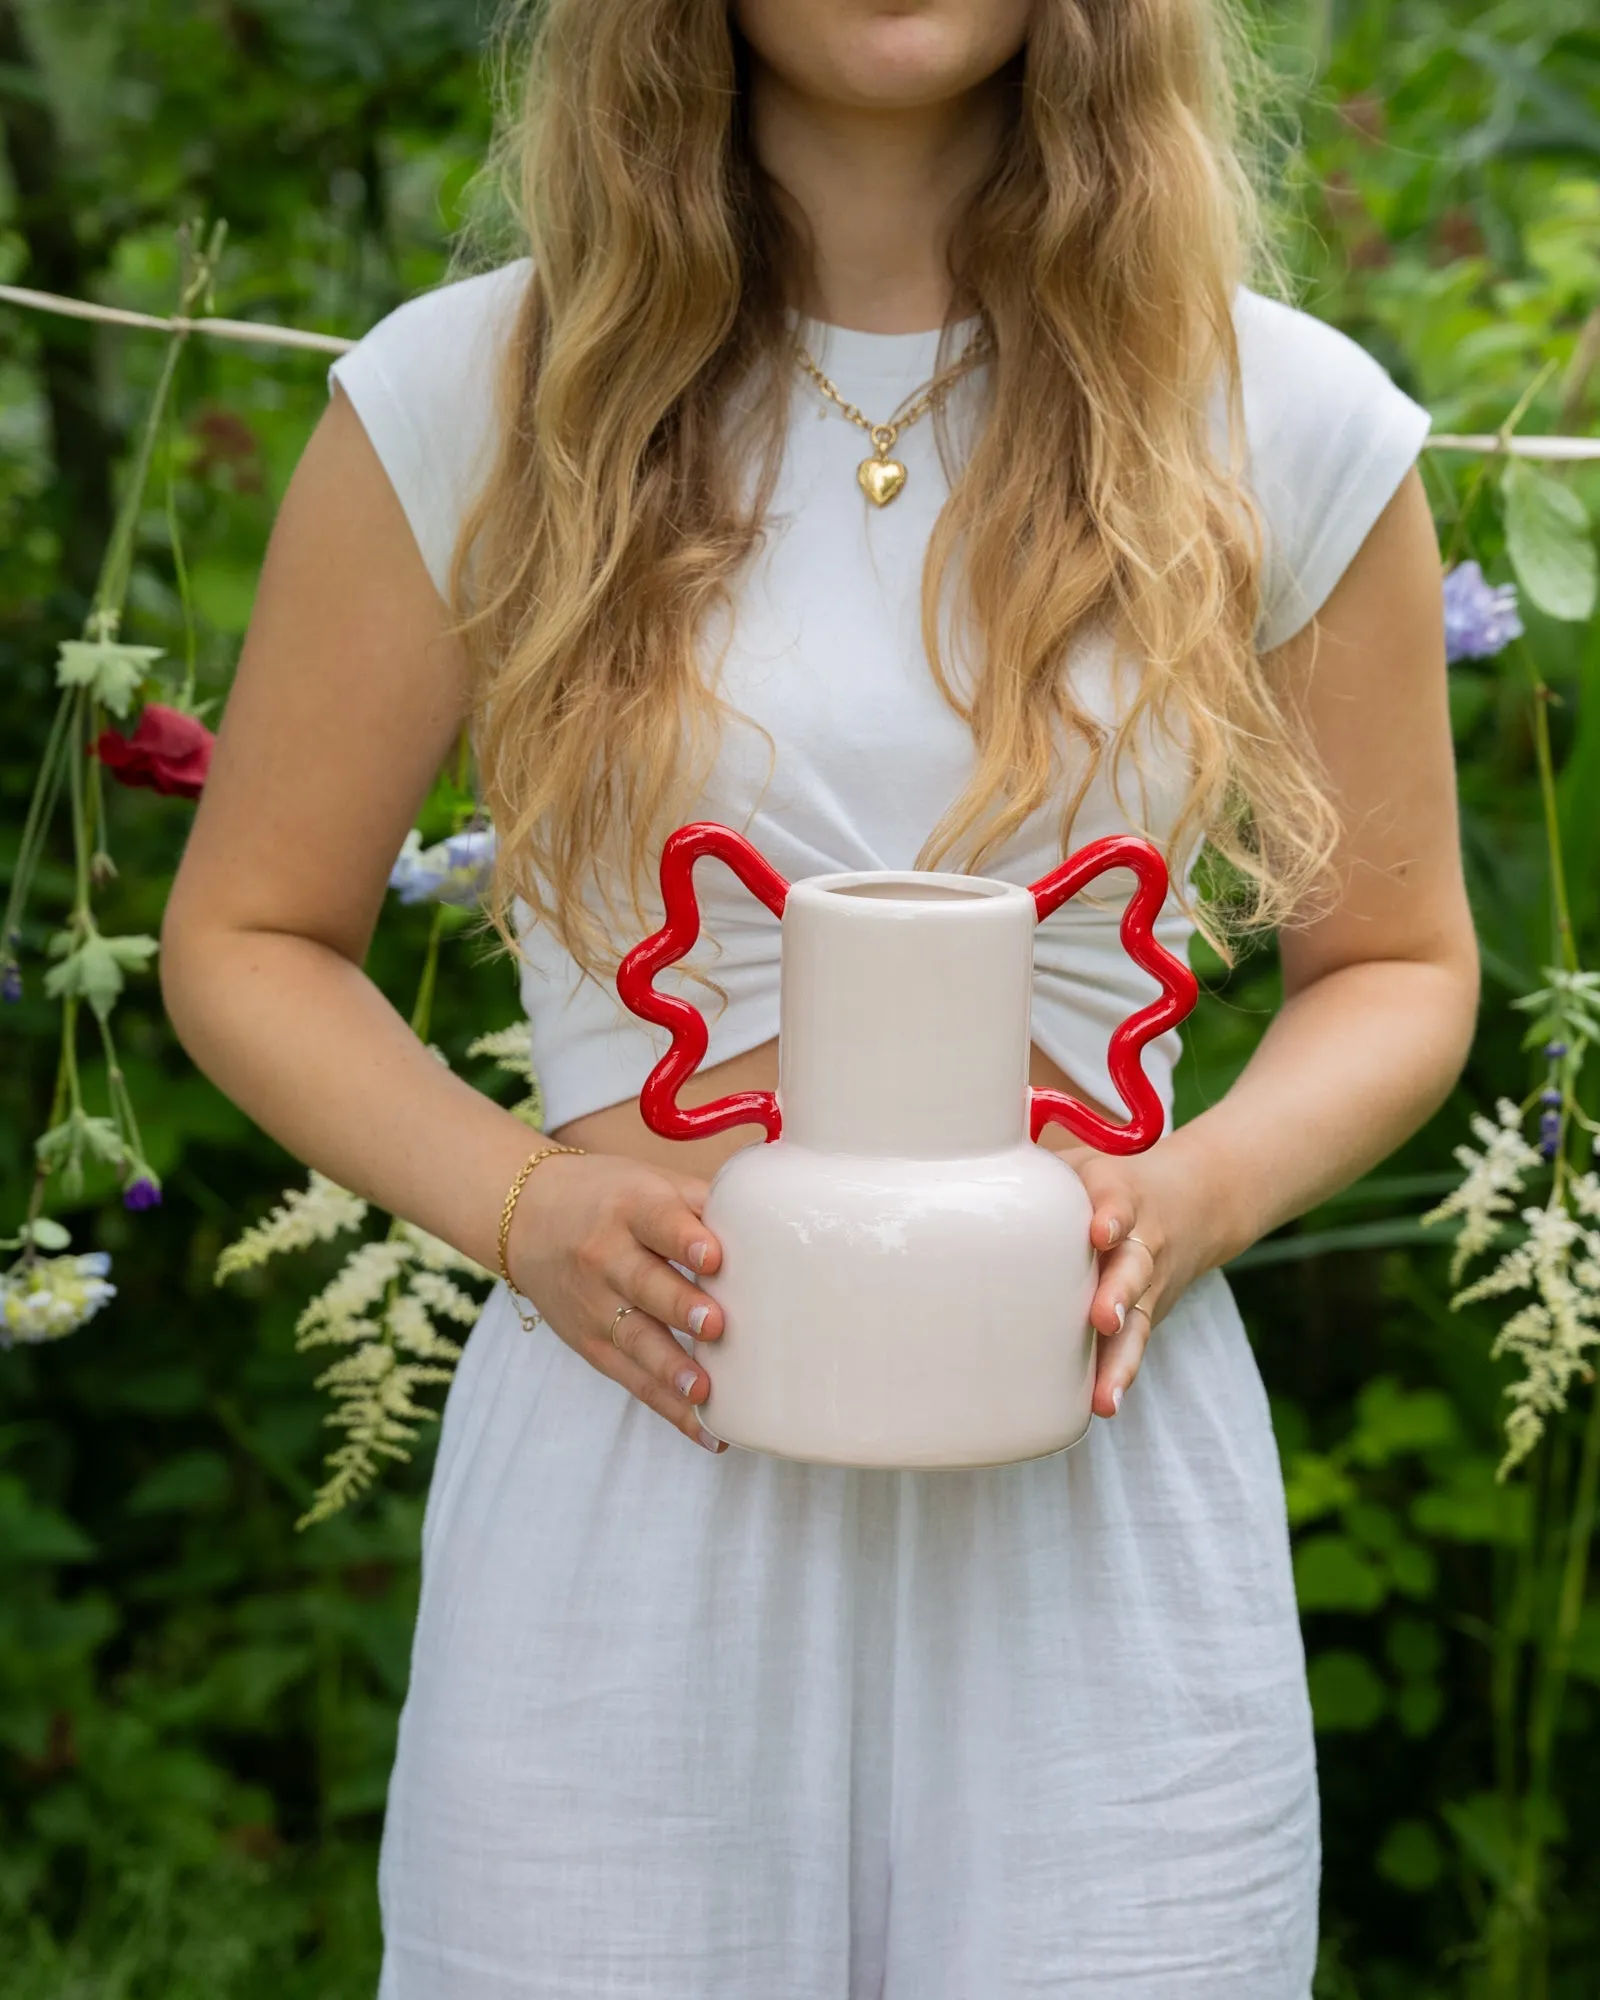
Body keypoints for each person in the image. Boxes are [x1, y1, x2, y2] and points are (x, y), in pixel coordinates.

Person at [160, 2, 1479, 1994]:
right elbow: (246, 933)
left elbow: (1394, 965)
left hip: (1088, 1480)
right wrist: (524, 1209)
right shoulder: (478, 396)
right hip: (635, 1456)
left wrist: (1190, 1198)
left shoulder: (1273, 417)